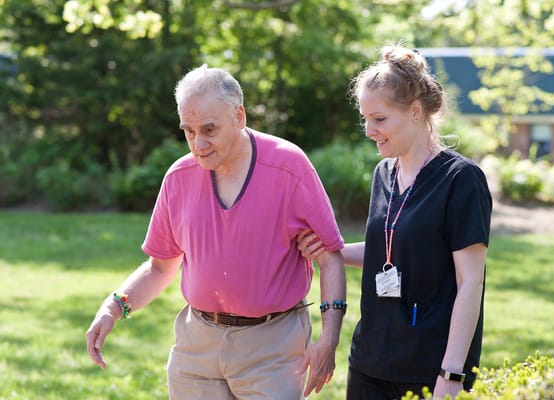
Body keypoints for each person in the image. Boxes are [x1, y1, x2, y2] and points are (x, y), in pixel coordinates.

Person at [85, 65, 347, 400]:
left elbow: (330, 258)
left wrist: (329, 339)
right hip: (197, 345)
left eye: (209, 129)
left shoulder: (288, 167)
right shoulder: (178, 178)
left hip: (273, 344)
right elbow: (161, 267)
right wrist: (114, 307)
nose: (198, 143)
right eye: (189, 131)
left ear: (239, 116)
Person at [297, 45, 492, 399]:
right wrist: (329, 250)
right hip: (370, 362)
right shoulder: (383, 173)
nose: (369, 130)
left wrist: (451, 372)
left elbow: (471, 283)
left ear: (416, 112)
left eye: (380, 119)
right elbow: (385, 250)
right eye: (365, 119)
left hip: (429, 368)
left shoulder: (461, 179)